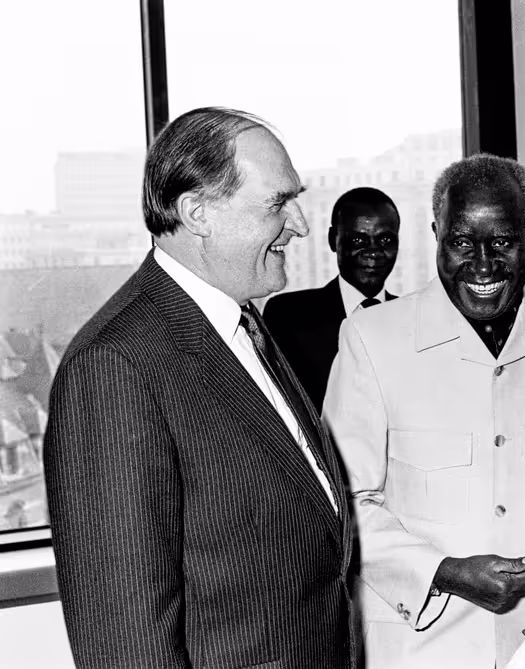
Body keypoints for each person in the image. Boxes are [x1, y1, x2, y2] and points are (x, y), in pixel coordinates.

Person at [43, 107, 355, 669]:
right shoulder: (116, 367)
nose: (302, 224)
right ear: (198, 213)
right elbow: (128, 645)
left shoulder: (243, 323)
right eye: (277, 203)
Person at [323, 153, 525, 669]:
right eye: (463, 242)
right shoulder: (371, 340)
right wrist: (443, 571)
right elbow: (344, 505)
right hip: (418, 644)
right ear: (436, 234)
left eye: (503, 242)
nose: (484, 265)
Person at [264, 187, 401, 410]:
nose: (373, 251)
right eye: (358, 239)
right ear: (332, 240)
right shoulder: (289, 317)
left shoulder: (415, 319)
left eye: (385, 239)